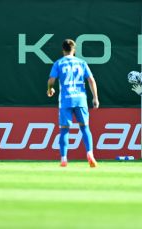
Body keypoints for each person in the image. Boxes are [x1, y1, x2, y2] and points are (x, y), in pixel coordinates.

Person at [47, 39, 99, 167]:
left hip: (66, 99)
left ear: (63, 50)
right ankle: (90, 154)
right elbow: (91, 80)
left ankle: (64, 158)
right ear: (74, 50)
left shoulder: (58, 63)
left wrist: (49, 89)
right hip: (80, 99)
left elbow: (51, 80)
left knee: (64, 130)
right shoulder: (81, 63)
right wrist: (95, 98)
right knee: (85, 127)